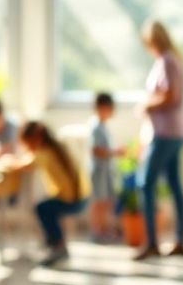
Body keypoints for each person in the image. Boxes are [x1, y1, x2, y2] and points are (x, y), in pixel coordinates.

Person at [134, 20, 183, 261]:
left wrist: (146, 104)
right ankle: (180, 240)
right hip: (174, 131)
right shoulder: (172, 60)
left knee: (146, 183)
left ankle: (152, 243)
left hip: (165, 133)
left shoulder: (167, 61)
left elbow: (170, 97)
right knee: (175, 184)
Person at [17, 121, 88, 265]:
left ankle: (57, 246)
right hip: (83, 197)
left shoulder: (44, 154)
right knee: (46, 206)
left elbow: (25, 165)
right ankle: (53, 242)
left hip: (72, 201)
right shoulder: (59, 146)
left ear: (36, 138)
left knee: (42, 208)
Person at [88, 92, 123, 241]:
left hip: (106, 170)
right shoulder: (95, 127)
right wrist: (115, 152)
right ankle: (97, 232)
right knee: (99, 202)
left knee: (107, 201)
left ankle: (105, 229)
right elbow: (96, 150)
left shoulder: (103, 126)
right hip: (99, 170)